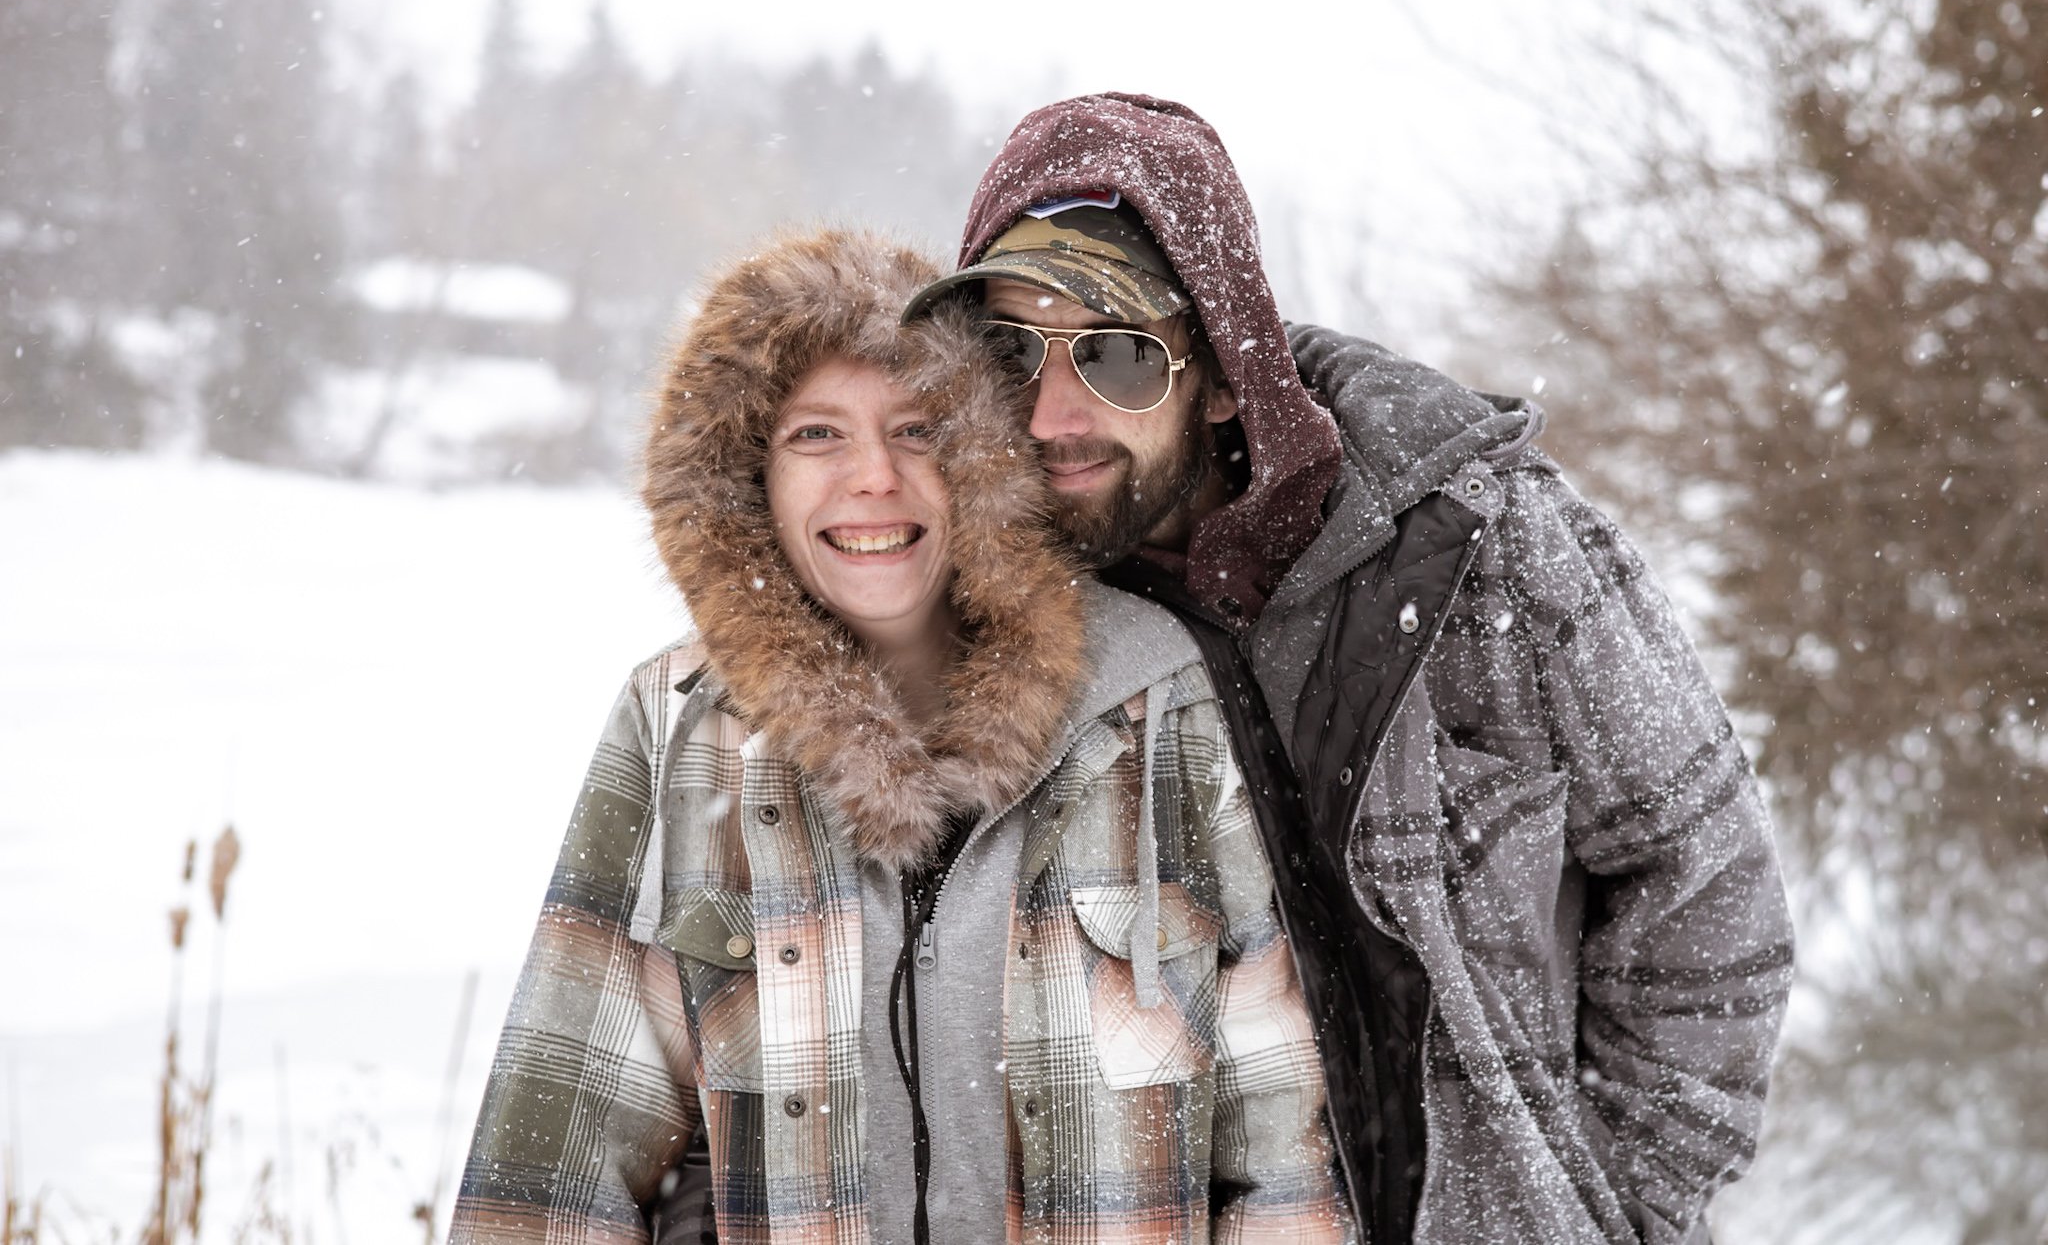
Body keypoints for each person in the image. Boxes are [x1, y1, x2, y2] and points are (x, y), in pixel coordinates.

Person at [896, 94, 1797, 1245]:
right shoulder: (977, 617)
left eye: (1117, 354)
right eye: (1009, 352)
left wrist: (1617, 1208)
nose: (1055, 412)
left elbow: (1705, 878)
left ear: (1223, 371)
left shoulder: (1481, 543)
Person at [448, 229, 1354, 1244]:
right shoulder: (677, 725)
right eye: (816, 436)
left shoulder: (1159, 700)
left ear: (979, 457)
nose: (872, 477)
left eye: (917, 430)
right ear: (747, 478)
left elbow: (1282, 1170)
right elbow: (554, 1176)